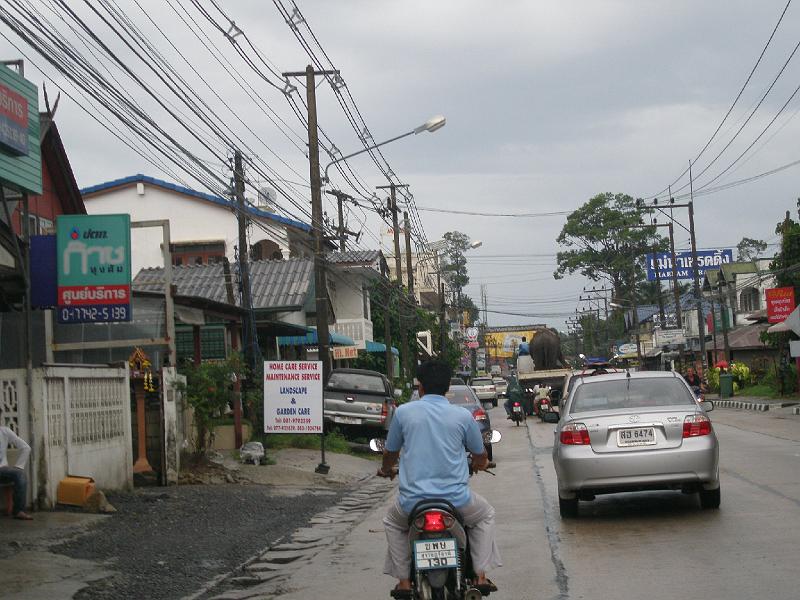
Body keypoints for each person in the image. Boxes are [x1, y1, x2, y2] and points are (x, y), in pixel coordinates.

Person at [378, 360, 501, 597]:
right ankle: (480, 576)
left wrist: (386, 469)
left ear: (419, 386)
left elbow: (390, 453)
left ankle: (403, 582)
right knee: (485, 515)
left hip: (412, 504)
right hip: (457, 502)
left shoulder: (403, 413)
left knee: (392, 523)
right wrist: (481, 464)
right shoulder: (463, 416)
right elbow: (479, 454)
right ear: (447, 388)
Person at [0, 409, 33, 520]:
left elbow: (26, 447)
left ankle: (18, 510)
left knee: (20, 475)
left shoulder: (4, 432)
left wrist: (18, 467)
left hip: (2, 471)